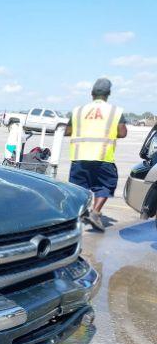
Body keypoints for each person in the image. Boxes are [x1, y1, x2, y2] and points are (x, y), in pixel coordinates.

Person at [65, 78, 127, 231]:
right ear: (108, 94)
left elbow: (67, 131)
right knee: (105, 185)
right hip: (103, 156)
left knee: (79, 188)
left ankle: (76, 216)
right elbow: (122, 132)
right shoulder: (115, 111)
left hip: (79, 156)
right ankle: (95, 212)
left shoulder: (78, 110)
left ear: (91, 93)